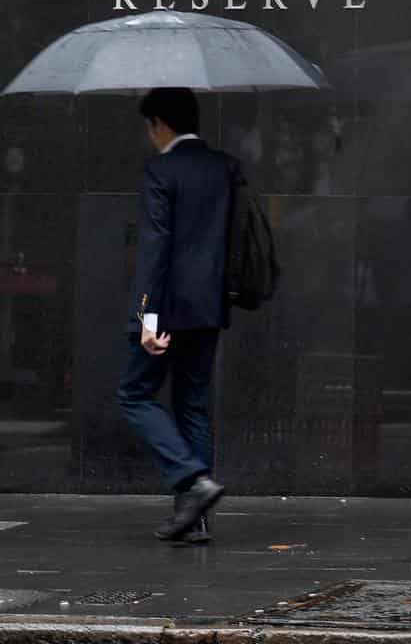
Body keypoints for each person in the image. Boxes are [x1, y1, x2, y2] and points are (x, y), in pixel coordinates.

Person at [117, 88, 233, 543]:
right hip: (209, 306)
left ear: (159, 124)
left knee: (134, 395)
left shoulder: (161, 171)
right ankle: (196, 518)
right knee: (192, 404)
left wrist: (147, 319)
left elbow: (154, 251)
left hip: (165, 306)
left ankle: (191, 480)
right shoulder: (223, 168)